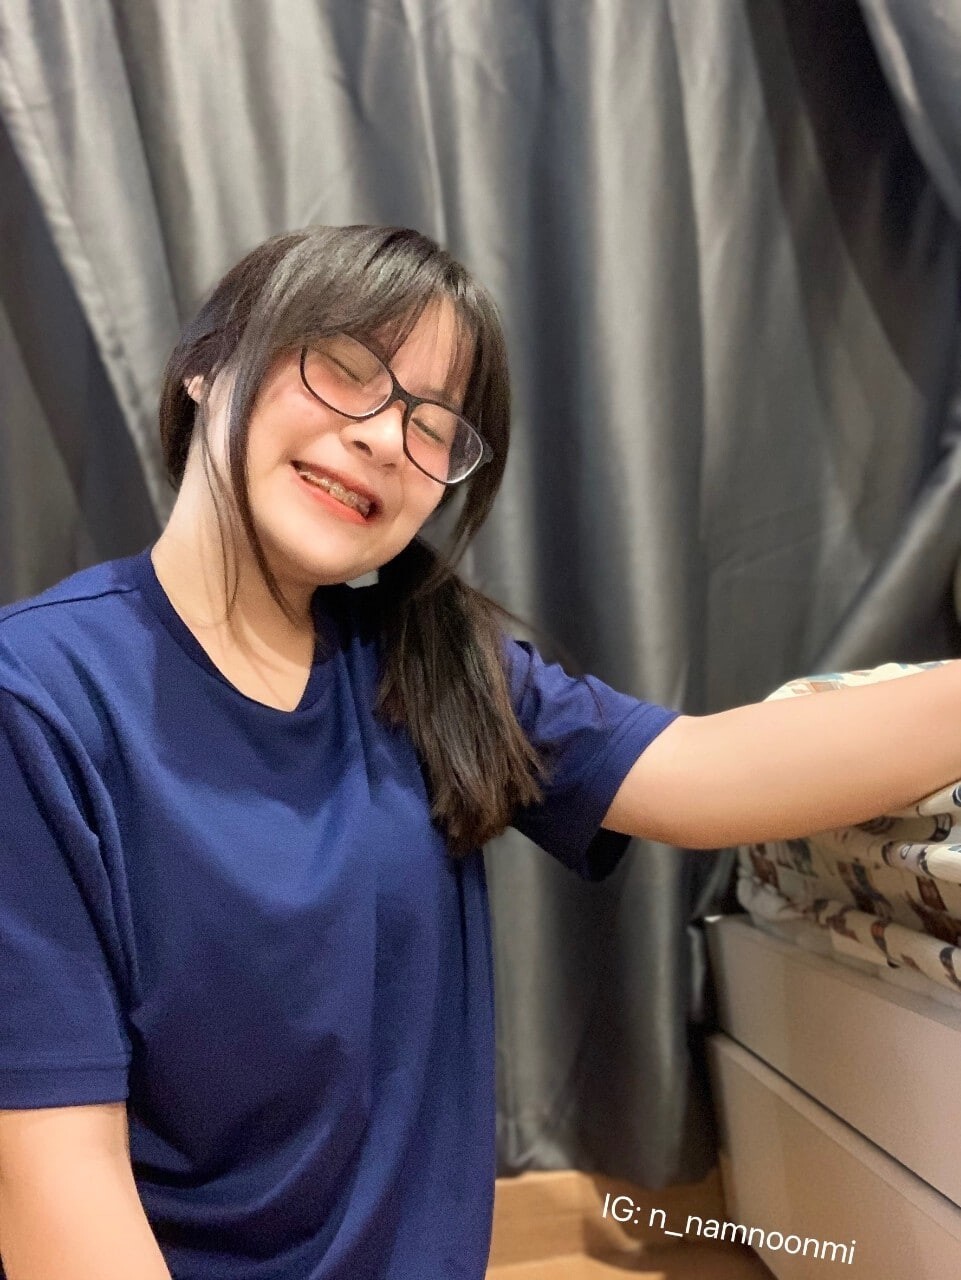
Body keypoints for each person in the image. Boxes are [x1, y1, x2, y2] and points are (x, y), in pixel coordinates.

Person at [0, 224, 958, 1280]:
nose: (382, 439)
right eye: (343, 369)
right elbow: (56, 1178)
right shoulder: (37, 696)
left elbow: (699, 773)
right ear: (206, 365)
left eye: (432, 424)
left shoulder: (429, 658)